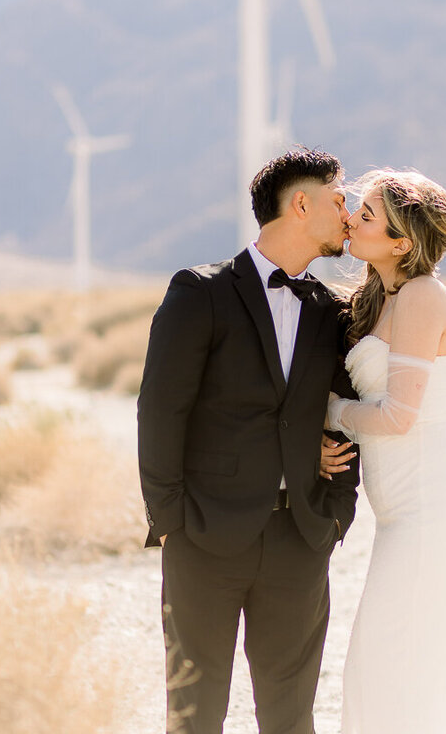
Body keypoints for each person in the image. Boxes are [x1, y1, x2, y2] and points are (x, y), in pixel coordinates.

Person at [138, 147, 360, 734]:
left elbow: (343, 417)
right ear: (302, 204)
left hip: (300, 538)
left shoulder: (331, 312)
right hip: (205, 537)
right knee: (195, 711)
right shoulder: (200, 293)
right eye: (339, 200)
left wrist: (335, 515)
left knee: (291, 715)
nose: (349, 214)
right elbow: (161, 411)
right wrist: (170, 520)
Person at [319, 169, 446, 733]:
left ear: (401, 241)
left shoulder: (422, 296)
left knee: (389, 658)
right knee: (401, 661)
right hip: (402, 510)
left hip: (435, 504)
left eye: (367, 214)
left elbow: (397, 415)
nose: (352, 217)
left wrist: (330, 414)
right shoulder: (378, 296)